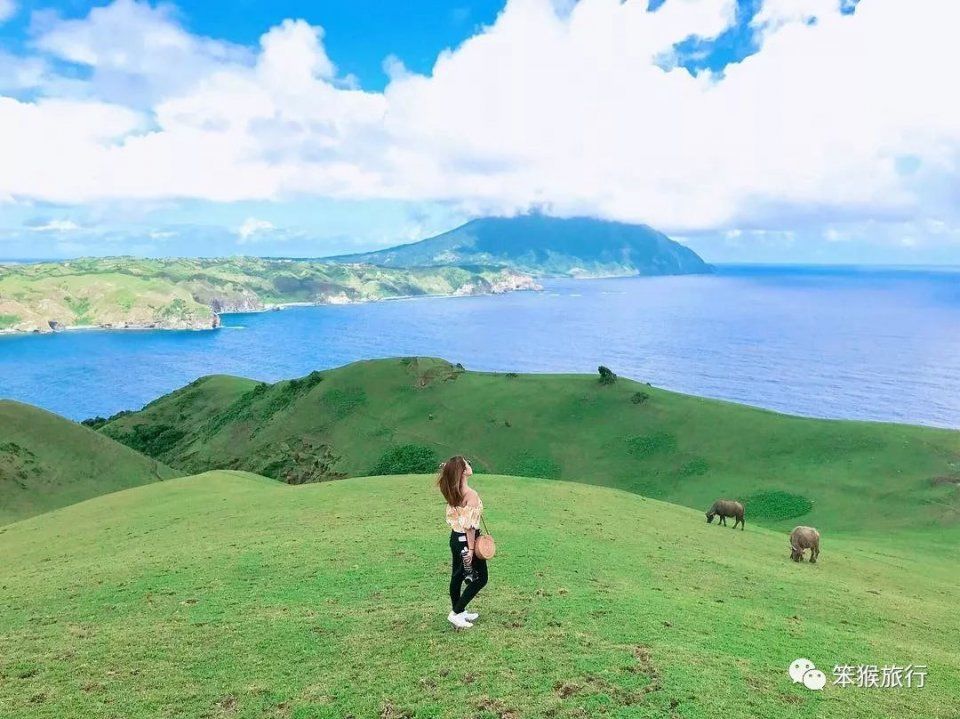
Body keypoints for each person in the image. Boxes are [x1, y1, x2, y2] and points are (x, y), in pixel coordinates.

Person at [437, 455, 489, 629]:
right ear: (463, 471)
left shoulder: (452, 490)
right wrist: (472, 549)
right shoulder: (470, 494)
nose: (469, 464)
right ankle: (455, 613)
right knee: (481, 579)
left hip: (455, 538)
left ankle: (459, 611)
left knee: (457, 576)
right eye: (466, 463)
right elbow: (470, 527)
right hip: (466, 540)